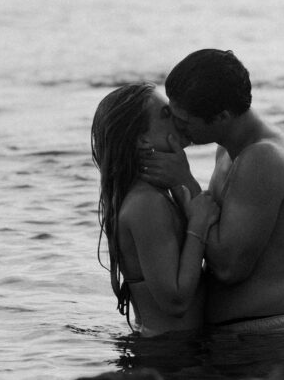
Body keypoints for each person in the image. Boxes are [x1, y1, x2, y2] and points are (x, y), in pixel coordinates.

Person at [140, 49, 284, 332]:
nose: (177, 128)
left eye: (184, 121)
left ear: (222, 116)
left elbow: (229, 268)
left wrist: (185, 181)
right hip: (230, 337)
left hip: (255, 337)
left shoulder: (264, 158)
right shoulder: (228, 150)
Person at [91, 81, 219, 337]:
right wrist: (198, 226)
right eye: (166, 114)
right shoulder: (146, 203)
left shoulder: (155, 193)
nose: (180, 119)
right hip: (170, 356)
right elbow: (175, 302)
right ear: (142, 139)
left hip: (171, 350)